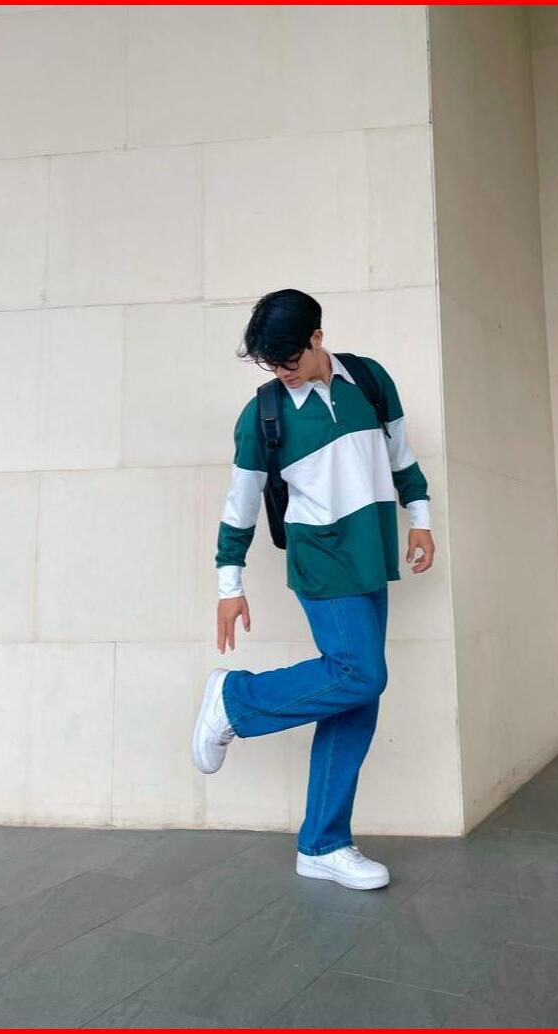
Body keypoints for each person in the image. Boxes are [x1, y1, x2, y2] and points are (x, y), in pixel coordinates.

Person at [191, 288, 435, 891]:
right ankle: (235, 700)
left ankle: (323, 844)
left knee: (355, 698)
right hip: (321, 558)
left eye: (289, 359)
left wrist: (421, 518)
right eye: (270, 363)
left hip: (371, 551)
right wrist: (229, 583)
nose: (281, 371)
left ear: (317, 338)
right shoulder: (264, 414)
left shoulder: (369, 380)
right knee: (360, 674)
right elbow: (240, 503)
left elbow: (400, 455)